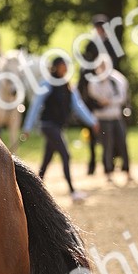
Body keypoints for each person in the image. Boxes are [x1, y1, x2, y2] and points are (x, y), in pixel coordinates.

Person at [23, 56, 100, 202]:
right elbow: (35, 105)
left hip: (57, 126)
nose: (65, 68)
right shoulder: (47, 84)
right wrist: (27, 127)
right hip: (48, 125)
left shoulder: (69, 86)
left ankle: (34, 191)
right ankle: (72, 191)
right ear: (56, 67)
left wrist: (92, 121)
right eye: (62, 65)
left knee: (47, 159)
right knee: (66, 155)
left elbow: (78, 107)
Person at [78, 13, 123, 174]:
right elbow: (86, 60)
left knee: (119, 81)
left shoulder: (111, 43)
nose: (99, 30)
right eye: (97, 27)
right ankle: (79, 100)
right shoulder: (91, 43)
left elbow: (116, 61)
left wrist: (105, 71)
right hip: (94, 74)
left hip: (108, 73)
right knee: (82, 75)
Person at [86, 56, 132, 181]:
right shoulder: (94, 82)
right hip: (102, 118)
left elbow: (121, 98)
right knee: (107, 145)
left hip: (115, 116)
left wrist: (108, 102)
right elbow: (93, 99)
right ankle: (108, 171)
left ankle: (127, 170)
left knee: (122, 143)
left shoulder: (117, 80)